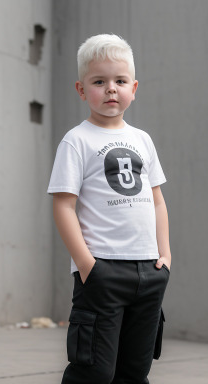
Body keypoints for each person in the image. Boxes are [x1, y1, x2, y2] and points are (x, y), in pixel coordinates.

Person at [47, 34, 171, 384]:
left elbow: (157, 200)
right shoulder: (77, 140)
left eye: (119, 81)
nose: (111, 89)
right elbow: (63, 206)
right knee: (94, 371)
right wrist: (88, 265)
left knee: (135, 369)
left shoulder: (142, 140)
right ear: (82, 90)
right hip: (102, 271)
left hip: (149, 271)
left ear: (134, 87)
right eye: (99, 81)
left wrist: (165, 256)